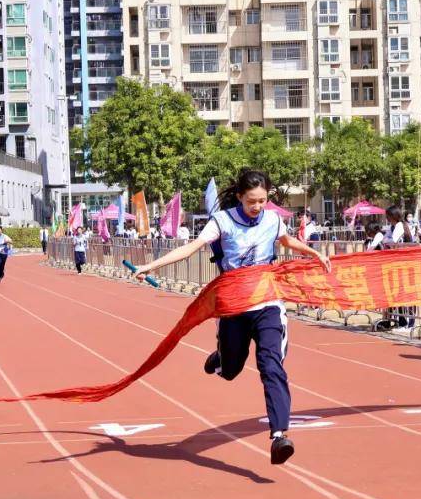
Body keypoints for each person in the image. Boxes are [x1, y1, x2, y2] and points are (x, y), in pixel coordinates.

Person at [130, 169, 330, 466]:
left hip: (267, 303)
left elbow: (286, 241)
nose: (258, 207)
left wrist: (314, 255)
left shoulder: (273, 220)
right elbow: (191, 248)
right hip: (234, 306)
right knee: (231, 370)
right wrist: (152, 265)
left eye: (263, 201)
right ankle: (220, 358)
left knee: (270, 364)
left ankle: (279, 436)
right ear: (239, 197)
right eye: (252, 201)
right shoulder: (223, 222)